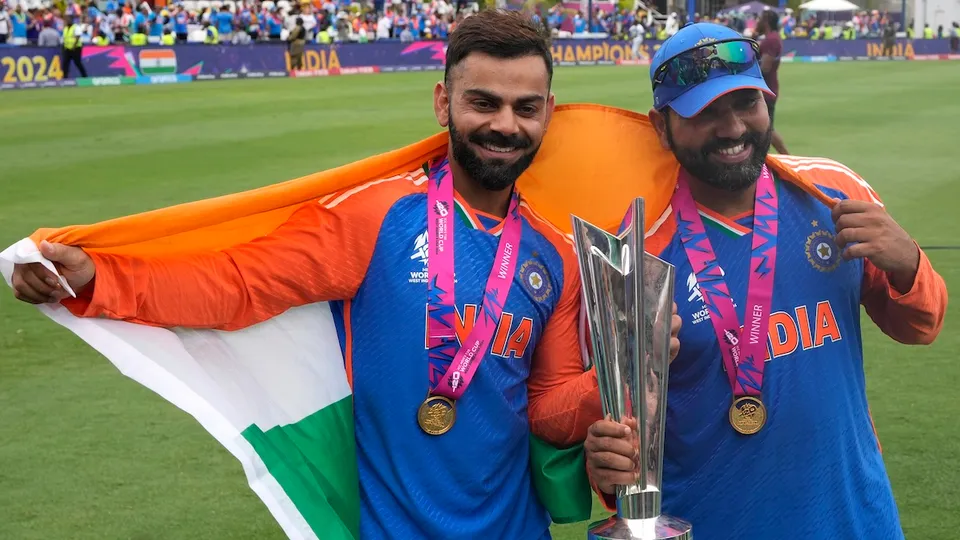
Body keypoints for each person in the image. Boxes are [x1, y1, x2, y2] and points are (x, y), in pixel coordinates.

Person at [11, 10, 675, 540]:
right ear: (443, 103)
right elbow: (240, 284)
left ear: (549, 114)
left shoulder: (551, 256)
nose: (505, 124)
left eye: (525, 107)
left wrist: (624, 364)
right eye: (483, 102)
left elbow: (550, 411)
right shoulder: (377, 216)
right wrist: (99, 275)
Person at [583, 22, 946, 539]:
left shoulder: (833, 192)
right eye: (705, 112)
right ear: (661, 126)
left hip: (855, 520)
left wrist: (908, 262)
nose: (733, 128)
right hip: (713, 523)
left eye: (746, 103)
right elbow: (624, 440)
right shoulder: (637, 251)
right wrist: (608, 464)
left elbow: (922, 325)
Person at [755, 10, 789, 154]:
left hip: (766, 90)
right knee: (763, 129)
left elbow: (765, 68)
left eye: (760, 18)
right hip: (767, 89)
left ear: (767, 20)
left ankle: (789, 161)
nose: (758, 21)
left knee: (767, 130)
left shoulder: (771, 40)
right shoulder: (771, 38)